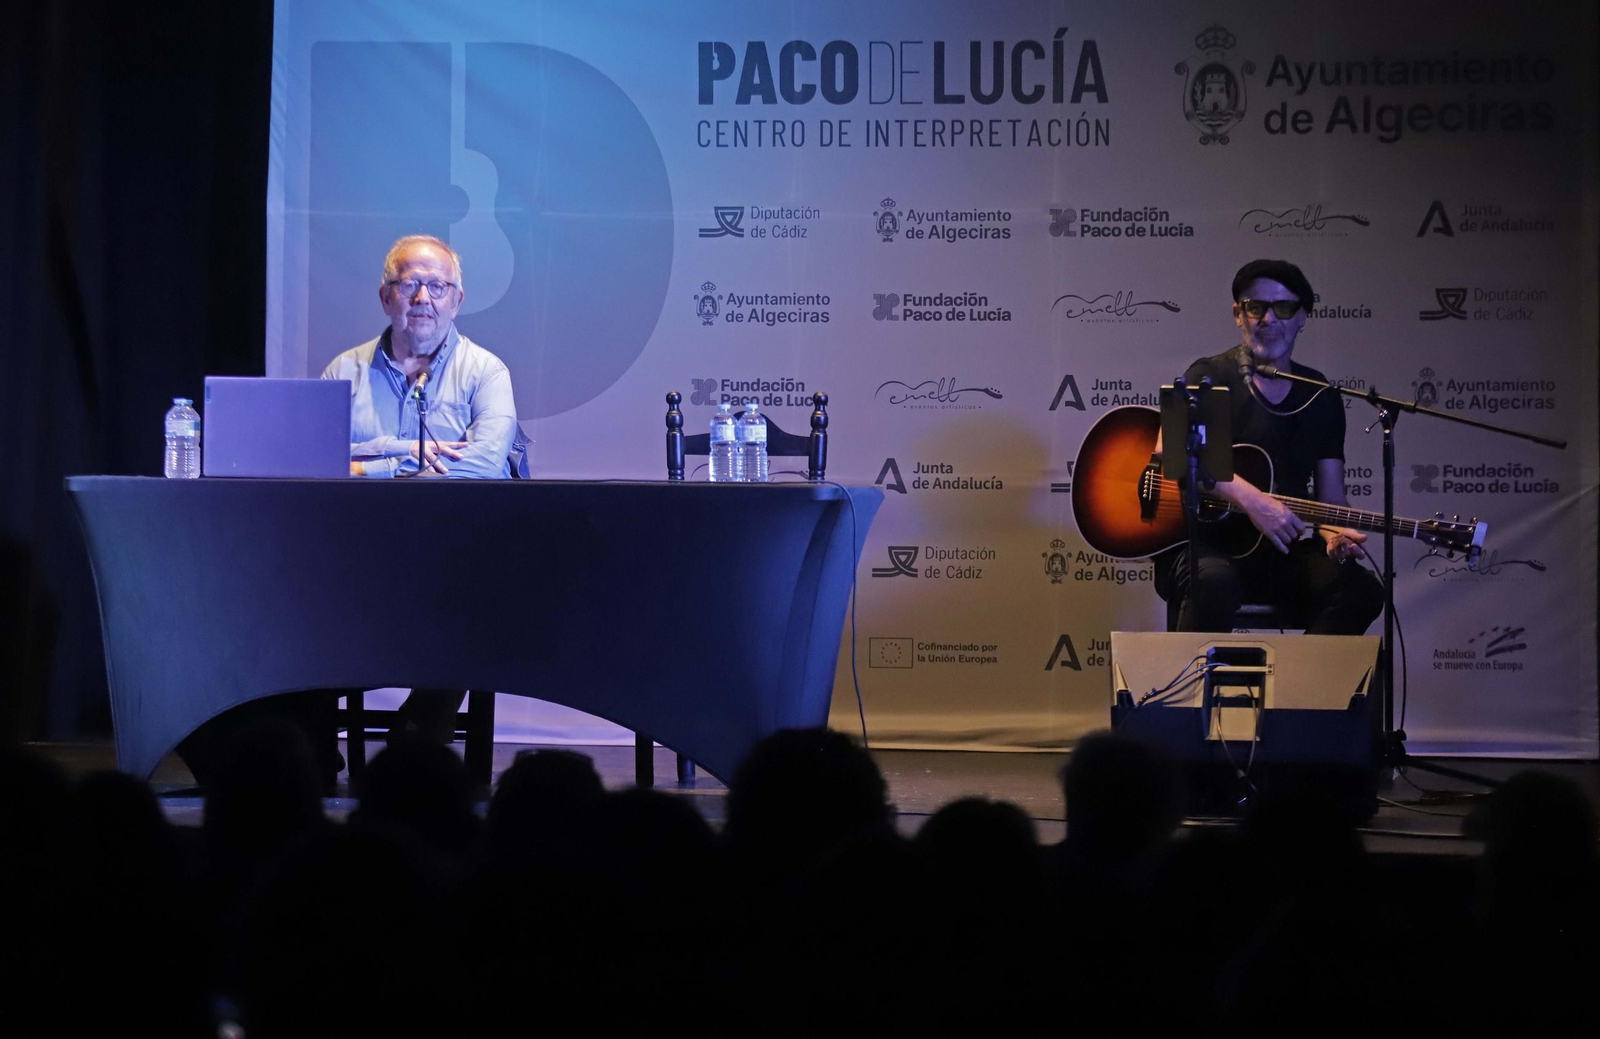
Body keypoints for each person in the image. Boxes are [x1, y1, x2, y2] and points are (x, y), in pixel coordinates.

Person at [321, 234, 530, 740]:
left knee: (471, 606)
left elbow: (486, 463)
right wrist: (401, 453)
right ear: (385, 296)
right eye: (409, 284)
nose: (422, 298)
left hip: (453, 562)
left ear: (457, 300)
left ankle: (416, 743)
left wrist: (368, 463)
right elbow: (318, 466)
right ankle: (312, 750)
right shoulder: (343, 371)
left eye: (437, 286)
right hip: (357, 563)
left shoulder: (486, 372)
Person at [1155, 259, 1383, 634]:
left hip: (1280, 555)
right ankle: (1195, 675)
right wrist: (1254, 501)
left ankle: (1301, 674)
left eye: (1284, 308)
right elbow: (1171, 450)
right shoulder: (1208, 375)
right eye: (1256, 307)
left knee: (1362, 591)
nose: (1268, 319)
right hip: (1207, 550)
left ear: (1301, 318)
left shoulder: (1321, 395)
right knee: (1213, 582)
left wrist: (1335, 536)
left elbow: (1331, 499)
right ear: (1238, 314)